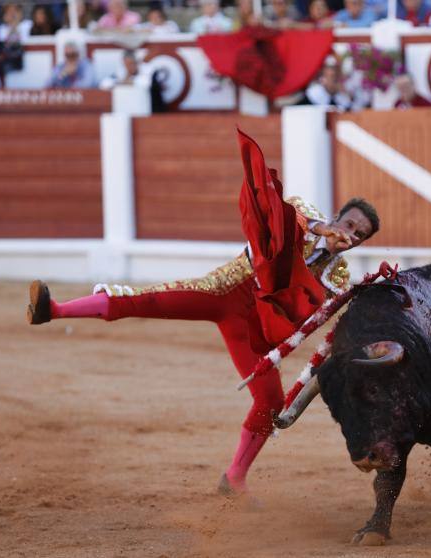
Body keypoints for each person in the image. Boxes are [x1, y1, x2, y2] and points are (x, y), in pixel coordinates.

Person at [27, 130, 380, 496]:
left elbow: (315, 314)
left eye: (360, 234)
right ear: (337, 215)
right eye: (350, 224)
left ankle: (235, 478)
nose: (350, 233)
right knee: (143, 299)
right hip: (223, 292)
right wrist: (325, 232)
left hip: (257, 328)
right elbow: (295, 218)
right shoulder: (304, 214)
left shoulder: (338, 276)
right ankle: (52, 309)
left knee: (271, 401)